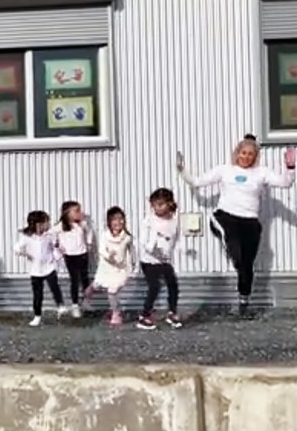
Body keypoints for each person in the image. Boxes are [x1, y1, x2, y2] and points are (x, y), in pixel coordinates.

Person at [177, 134, 296, 314]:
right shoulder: (225, 170)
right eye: (243, 153)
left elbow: (286, 183)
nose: (246, 157)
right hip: (227, 217)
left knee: (245, 265)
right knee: (235, 250)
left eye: (250, 154)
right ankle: (221, 230)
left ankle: (244, 301)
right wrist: (182, 169)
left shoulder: (261, 173)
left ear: (255, 157)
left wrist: (290, 167)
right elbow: (197, 182)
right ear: (237, 153)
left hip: (250, 221)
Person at [83, 206, 136, 327]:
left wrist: (133, 265)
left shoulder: (127, 237)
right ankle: (87, 294)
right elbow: (102, 250)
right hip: (106, 267)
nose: (118, 222)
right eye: (114, 219)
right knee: (97, 285)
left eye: (121, 219)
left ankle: (116, 313)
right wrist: (109, 256)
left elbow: (132, 253)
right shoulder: (105, 236)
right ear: (109, 222)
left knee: (113, 291)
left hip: (120, 269)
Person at [138, 188, 182, 330]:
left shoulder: (174, 221)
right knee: (155, 286)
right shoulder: (149, 220)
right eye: (155, 205)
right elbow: (143, 241)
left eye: (161, 204)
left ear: (169, 204)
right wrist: (153, 248)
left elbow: (175, 239)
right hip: (149, 260)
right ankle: (144, 316)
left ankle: (172, 312)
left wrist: (178, 251)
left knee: (172, 284)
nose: (157, 208)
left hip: (164, 260)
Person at [15, 210, 66, 327]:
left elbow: (55, 247)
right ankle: (37, 316)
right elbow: (17, 248)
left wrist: (58, 255)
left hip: (49, 266)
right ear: (38, 224)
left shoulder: (49, 235)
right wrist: (26, 254)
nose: (48, 224)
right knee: (38, 295)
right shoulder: (27, 237)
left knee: (54, 286)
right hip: (36, 270)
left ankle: (60, 305)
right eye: (46, 222)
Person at [54, 200, 94, 319]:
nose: (80, 213)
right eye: (76, 211)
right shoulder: (60, 226)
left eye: (79, 210)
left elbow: (90, 233)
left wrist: (89, 244)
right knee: (75, 280)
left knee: (85, 278)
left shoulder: (82, 224)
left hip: (82, 254)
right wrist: (58, 249)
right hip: (70, 256)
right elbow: (51, 237)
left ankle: (86, 302)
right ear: (67, 213)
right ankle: (75, 305)